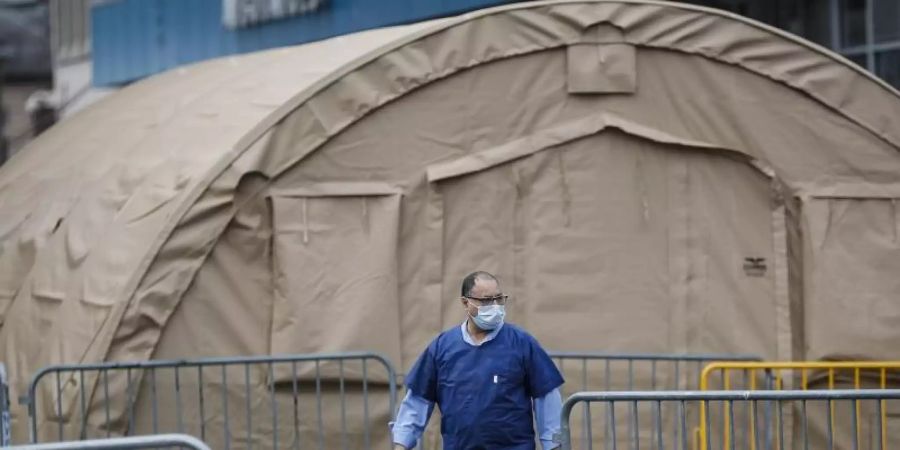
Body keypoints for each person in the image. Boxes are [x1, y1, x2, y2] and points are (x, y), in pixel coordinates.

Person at [391, 271, 565, 450]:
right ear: (466, 303)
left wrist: (555, 445)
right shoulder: (442, 348)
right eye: (487, 300)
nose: (495, 306)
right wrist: (401, 444)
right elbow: (418, 400)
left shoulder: (522, 343)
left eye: (499, 298)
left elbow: (548, 399)